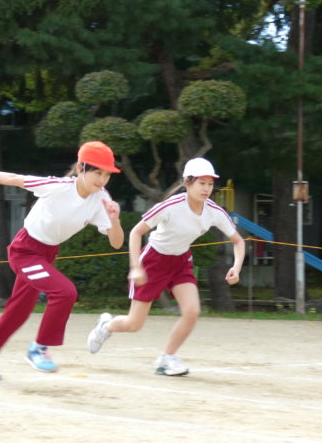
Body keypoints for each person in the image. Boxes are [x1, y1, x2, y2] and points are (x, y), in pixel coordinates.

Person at [0, 141, 124, 381]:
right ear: (81, 168)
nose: (102, 179)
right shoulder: (58, 187)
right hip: (25, 251)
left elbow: (116, 243)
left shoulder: (102, 199)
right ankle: (39, 348)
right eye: (97, 172)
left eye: (107, 174)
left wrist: (115, 219)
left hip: (47, 254)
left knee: (18, 312)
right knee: (65, 292)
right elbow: (16, 179)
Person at [87, 157, 245, 376]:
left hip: (181, 261)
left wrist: (236, 266)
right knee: (134, 324)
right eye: (201, 183)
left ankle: (166, 358)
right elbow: (136, 232)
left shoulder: (213, 211)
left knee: (192, 311)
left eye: (210, 183)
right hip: (153, 260)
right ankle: (105, 326)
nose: (207, 188)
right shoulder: (171, 206)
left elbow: (238, 241)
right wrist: (135, 266)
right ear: (187, 182)